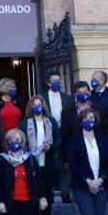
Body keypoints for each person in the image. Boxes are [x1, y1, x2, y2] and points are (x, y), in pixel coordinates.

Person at [61, 81, 107, 215]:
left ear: (89, 92)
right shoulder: (67, 112)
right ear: (75, 93)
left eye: (86, 91)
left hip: (96, 153)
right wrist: (66, 158)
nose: (83, 94)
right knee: (77, 191)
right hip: (76, 155)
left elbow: (104, 132)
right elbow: (65, 135)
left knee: (99, 191)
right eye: (79, 91)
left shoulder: (99, 109)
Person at [19, 96, 60, 215]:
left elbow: (59, 139)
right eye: (34, 104)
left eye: (40, 104)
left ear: (44, 106)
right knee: (34, 197)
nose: (37, 107)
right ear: (30, 107)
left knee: (47, 196)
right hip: (32, 165)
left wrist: (51, 147)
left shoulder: (51, 121)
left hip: (47, 164)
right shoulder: (24, 123)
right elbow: (21, 142)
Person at [42, 72, 73, 204]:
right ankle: (50, 194)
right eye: (54, 80)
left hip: (65, 133)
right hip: (48, 133)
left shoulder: (68, 98)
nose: (57, 83)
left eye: (59, 80)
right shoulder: (41, 97)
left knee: (65, 164)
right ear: (48, 83)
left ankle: (65, 193)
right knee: (49, 164)